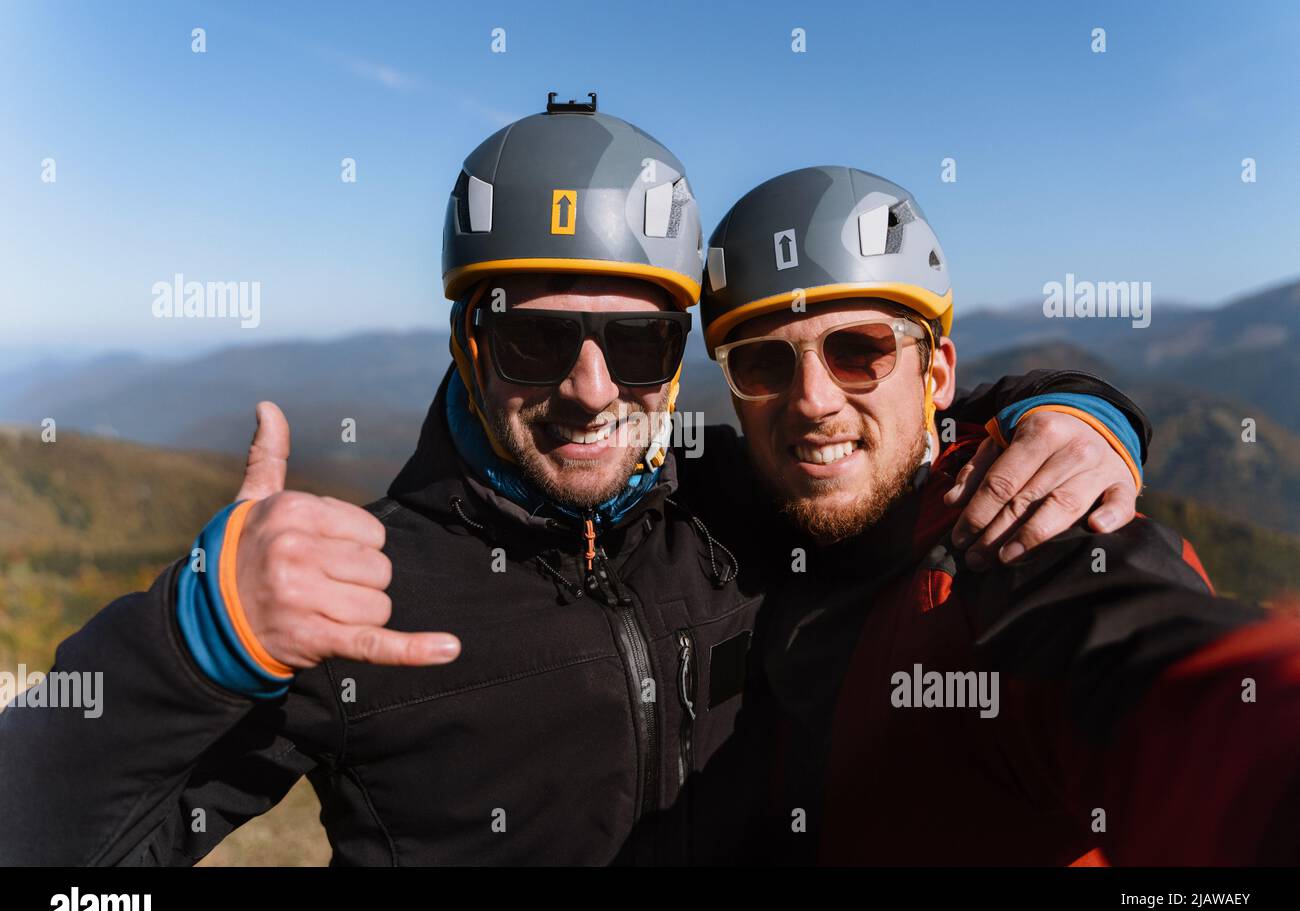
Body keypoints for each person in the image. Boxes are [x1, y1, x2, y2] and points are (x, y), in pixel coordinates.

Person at [0, 100, 1150, 866]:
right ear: (468, 346)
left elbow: (878, 421)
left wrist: (1073, 412)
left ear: (682, 356)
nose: (593, 390)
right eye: (538, 342)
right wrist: (193, 639)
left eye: (636, 342)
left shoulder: (737, 500)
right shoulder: (354, 599)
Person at [685, 165, 1300, 865]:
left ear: (937, 376)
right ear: (735, 396)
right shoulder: (727, 521)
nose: (813, 399)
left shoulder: (1012, 542)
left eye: (861, 351)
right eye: (763, 364)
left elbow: (1164, 669)